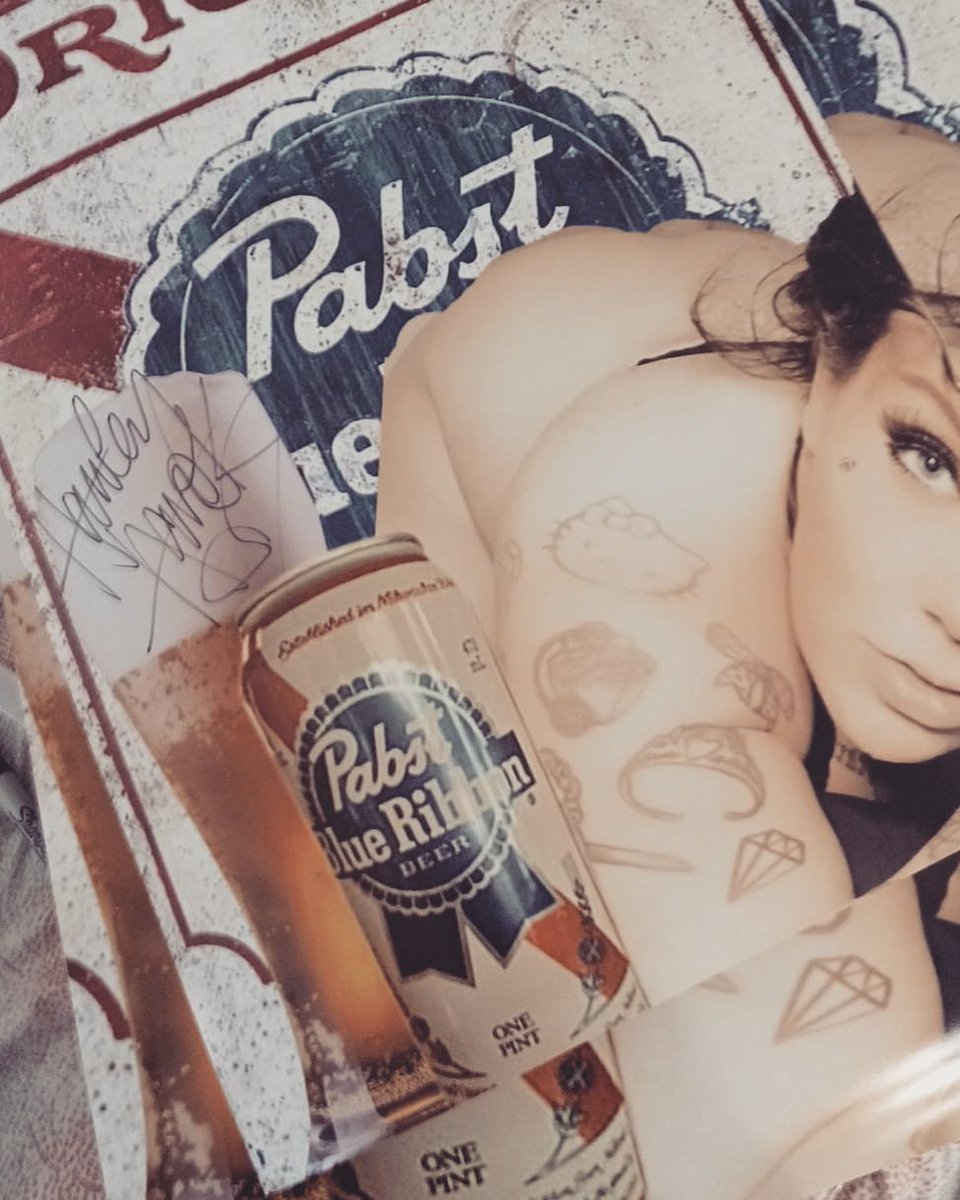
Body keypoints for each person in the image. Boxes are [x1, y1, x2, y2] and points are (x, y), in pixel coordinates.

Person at [374, 113, 960, 1194]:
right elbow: (815, 1103)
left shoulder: (912, 260)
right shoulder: (644, 521)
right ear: (826, 367)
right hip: (494, 545)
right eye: (930, 459)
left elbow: (873, 149)